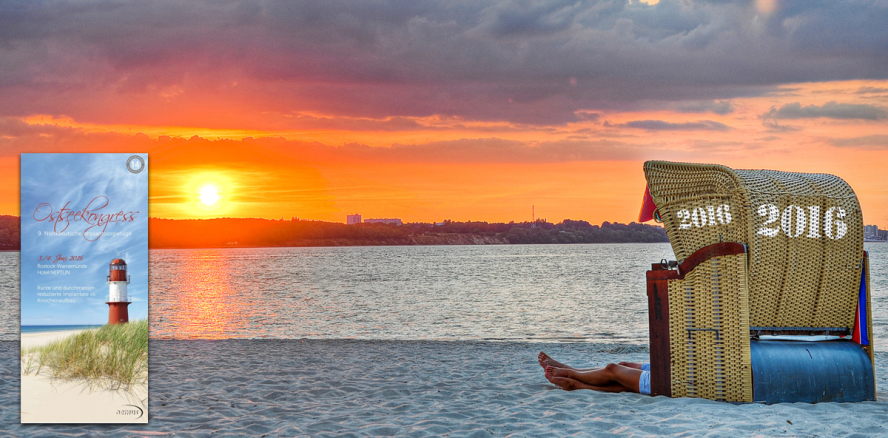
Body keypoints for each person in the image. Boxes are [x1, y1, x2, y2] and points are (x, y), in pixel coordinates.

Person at [538, 352, 651, 395]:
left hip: (663, 379)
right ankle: (569, 369)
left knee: (613, 370)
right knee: (624, 365)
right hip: (662, 370)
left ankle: (570, 376)